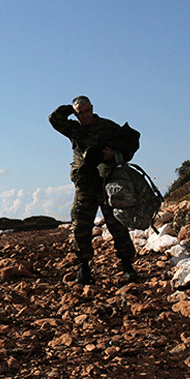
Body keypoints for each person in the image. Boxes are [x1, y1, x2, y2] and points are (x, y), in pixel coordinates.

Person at [49, 96, 140, 284]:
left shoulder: (107, 126)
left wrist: (115, 154)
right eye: (80, 113)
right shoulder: (74, 129)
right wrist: (70, 109)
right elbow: (54, 119)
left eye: (87, 111)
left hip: (108, 183)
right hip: (85, 184)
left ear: (93, 109)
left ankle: (127, 265)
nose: (85, 115)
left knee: (117, 225)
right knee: (81, 225)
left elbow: (131, 142)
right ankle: (84, 268)